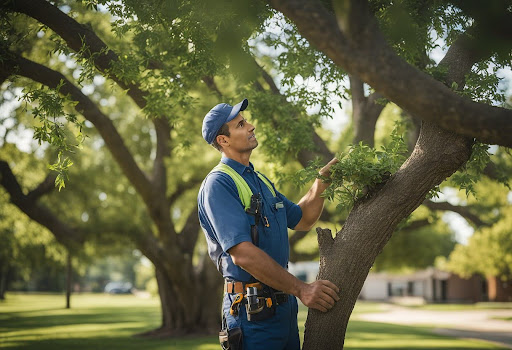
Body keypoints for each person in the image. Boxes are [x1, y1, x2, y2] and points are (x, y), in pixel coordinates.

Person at [198, 98, 339, 350]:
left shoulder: (260, 180)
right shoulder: (218, 184)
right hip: (252, 315)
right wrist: (302, 289)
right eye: (241, 124)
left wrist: (322, 182)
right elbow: (242, 254)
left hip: (283, 310)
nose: (251, 126)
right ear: (224, 140)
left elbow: (303, 219)